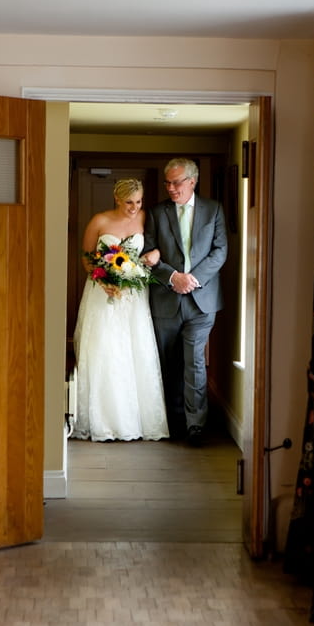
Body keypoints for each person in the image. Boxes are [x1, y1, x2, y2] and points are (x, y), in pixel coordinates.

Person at [70, 178, 169, 442]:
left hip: (134, 296)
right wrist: (103, 281)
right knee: (105, 348)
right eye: (129, 202)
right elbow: (86, 257)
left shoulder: (146, 218)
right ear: (116, 198)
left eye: (138, 202)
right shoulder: (99, 221)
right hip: (103, 293)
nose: (134, 208)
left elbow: (158, 246)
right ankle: (104, 420)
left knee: (135, 350)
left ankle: (135, 421)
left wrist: (155, 254)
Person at [143, 158, 228, 446]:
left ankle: (196, 426)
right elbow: (149, 252)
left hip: (202, 301)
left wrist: (191, 279)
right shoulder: (156, 212)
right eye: (167, 182)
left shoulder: (213, 210)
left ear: (193, 181)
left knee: (194, 362)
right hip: (165, 300)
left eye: (176, 182)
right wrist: (173, 277)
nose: (171, 188)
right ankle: (173, 421)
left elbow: (220, 251)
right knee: (167, 363)